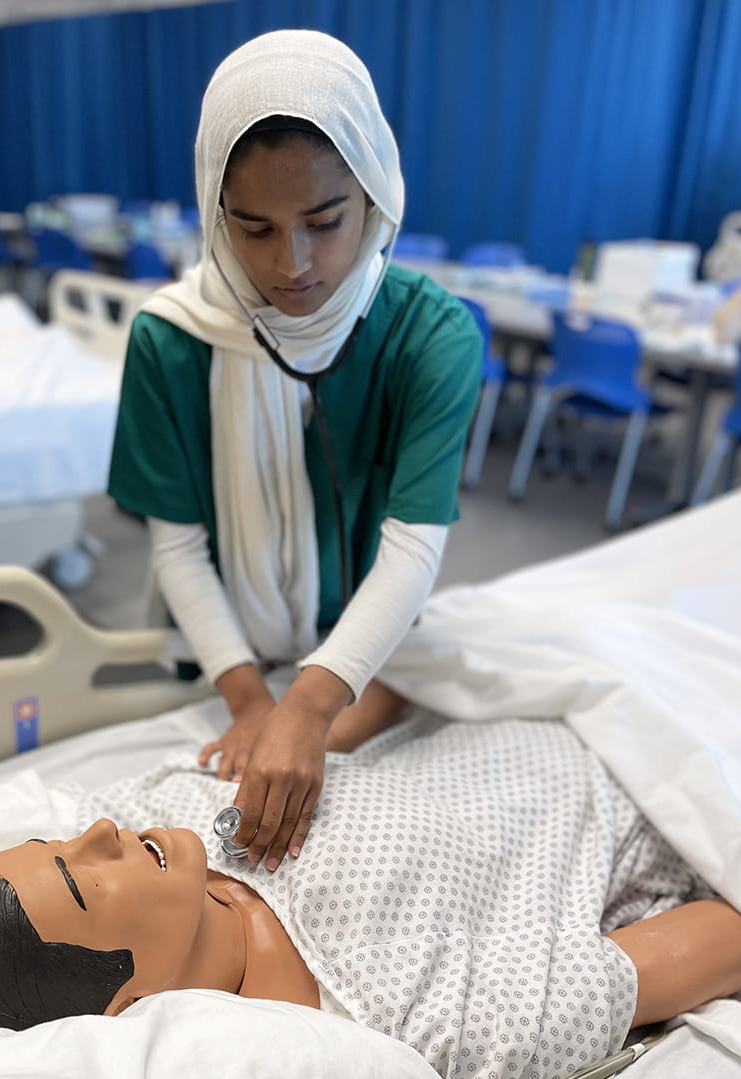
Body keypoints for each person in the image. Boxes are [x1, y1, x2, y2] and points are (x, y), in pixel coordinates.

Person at [0, 716, 741, 1079]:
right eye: (81, 879)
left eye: (59, 840)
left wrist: (315, 703)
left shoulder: (158, 809)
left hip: (547, 701)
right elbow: (707, 947)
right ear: (124, 1007)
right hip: (663, 788)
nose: (98, 833)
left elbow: (347, 715)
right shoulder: (399, 1031)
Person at [107, 31, 482, 872]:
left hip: (365, 654)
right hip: (220, 657)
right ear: (214, 210)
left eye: (325, 221)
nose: (294, 264)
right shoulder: (170, 342)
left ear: (376, 193)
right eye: (254, 228)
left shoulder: (432, 337)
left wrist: (308, 706)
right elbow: (178, 546)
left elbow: (414, 546)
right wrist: (248, 699)